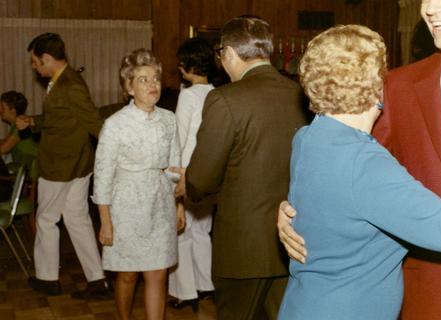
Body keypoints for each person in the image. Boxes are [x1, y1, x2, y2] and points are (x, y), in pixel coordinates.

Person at [278, 0, 441, 319]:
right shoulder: (396, 87)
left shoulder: (307, 137)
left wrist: (301, 212)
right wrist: (289, 213)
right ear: (375, 91)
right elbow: (356, 175)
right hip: (414, 295)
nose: (431, 8)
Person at [173, 15, 308, 319]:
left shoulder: (225, 99)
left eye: (221, 55)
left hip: (243, 246)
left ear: (230, 53)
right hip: (290, 238)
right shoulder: (298, 94)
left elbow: (203, 179)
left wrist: (189, 178)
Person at [16, 32, 111, 299]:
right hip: (77, 165)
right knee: (78, 220)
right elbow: (60, 118)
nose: (34, 67)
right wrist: (33, 121)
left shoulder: (70, 85)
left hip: (60, 167)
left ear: (47, 58)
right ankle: (97, 280)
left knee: (46, 219)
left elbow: (94, 122)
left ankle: (47, 279)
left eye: (35, 62)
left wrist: (123, 150)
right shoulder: (62, 82)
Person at [92, 48, 184, 320]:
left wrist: (179, 204)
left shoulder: (169, 119)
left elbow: (175, 166)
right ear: (129, 88)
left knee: (157, 272)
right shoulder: (115, 124)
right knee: (128, 273)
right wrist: (105, 221)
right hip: (126, 206)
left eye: (155, 78)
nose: (152, 84)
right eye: (142, 80)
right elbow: (103, 175)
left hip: (161, 204)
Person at [168, 37, 216, 311]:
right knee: (202, 232)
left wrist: (175, 177)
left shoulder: (187, 95)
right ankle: (206, 285)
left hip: (186, 171)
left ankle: (186, 293)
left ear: (185, 65)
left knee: (182, 233)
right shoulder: (217, 93)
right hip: (208, 172)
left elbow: (180, 138)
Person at [0, 91, 38, 176]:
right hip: (25, 168)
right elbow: (5, 141)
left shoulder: (20, 126)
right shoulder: (16, 125)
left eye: (3, 107)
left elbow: (3, 149)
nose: (0, 110)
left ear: (13, 111)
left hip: (30, 170)